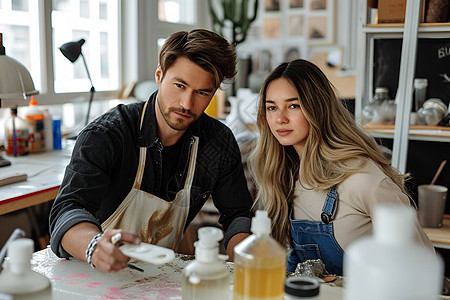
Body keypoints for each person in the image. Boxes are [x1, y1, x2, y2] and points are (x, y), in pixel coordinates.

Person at [49, 29, 253, 272]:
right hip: (90, 271)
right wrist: (93, 246)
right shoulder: (107, 135)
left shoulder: (218, 142)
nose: (187, 104)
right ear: (159, 75)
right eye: (180, 85)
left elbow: (237, 214)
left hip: (158, 276)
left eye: (202, 92)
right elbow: (67, 209)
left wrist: (243, 259)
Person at [248, 59, 434, 276]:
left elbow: (422, 264)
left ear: (317, 108)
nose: (280, 118)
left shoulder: (362, 179)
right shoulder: (287, 176)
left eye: (293, 105)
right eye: (272, 107)